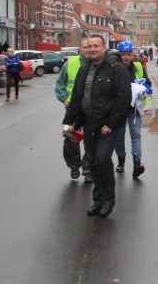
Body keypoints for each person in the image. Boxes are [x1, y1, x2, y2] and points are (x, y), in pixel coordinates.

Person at [62, 34, 131, 218]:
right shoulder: (84, 68)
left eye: (96, 46)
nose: (92, 49)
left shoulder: (116, 69)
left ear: (104, 47)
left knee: (102, 159)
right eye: (89, 46)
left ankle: (108, 199)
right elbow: (76, 97)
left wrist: (111, 123)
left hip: (108, 125)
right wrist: (69, 121)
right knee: (92, 161)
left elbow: (124, 99)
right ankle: (98, 199)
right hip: (89, 123)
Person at [55, 38, 91, 182]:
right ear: (79, 48)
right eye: (85, 47)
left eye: (90, 47)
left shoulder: (98, 63)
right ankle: (74, 166)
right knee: (71, 137)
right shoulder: (71, 63)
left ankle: (88, 170)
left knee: (90, 139)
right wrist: (64, 99)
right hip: (73, 108)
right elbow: (60, 84)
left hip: (91, 107)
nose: (88, 50)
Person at [113, 41, 151, 178]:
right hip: (118, 107)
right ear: (120, 54)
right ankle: (121, 160)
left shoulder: (138, 66)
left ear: (133, 54)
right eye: (124, 54)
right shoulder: (114, 68)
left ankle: (137, 164)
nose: (126, 57)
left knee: (135, 135)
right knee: (119, 136)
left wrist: (143, 86)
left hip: (134, 107)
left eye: (129, 54)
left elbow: (148, 83)